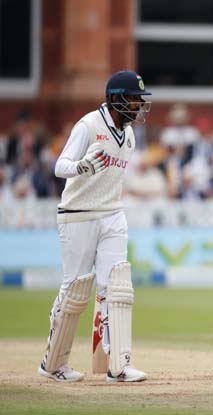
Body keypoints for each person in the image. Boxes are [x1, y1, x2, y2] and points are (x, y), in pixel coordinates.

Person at [38, 70, 151, 383]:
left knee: (116, 286)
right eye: (134, 98)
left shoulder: (128, 135)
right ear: (116, 99)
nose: (139, 105)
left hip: (114, 213)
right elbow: (59, 165)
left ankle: (119, 365)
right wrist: (82, 167)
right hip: (78, 214)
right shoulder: (88, 125)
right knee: (75, 290)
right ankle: (53, 365)